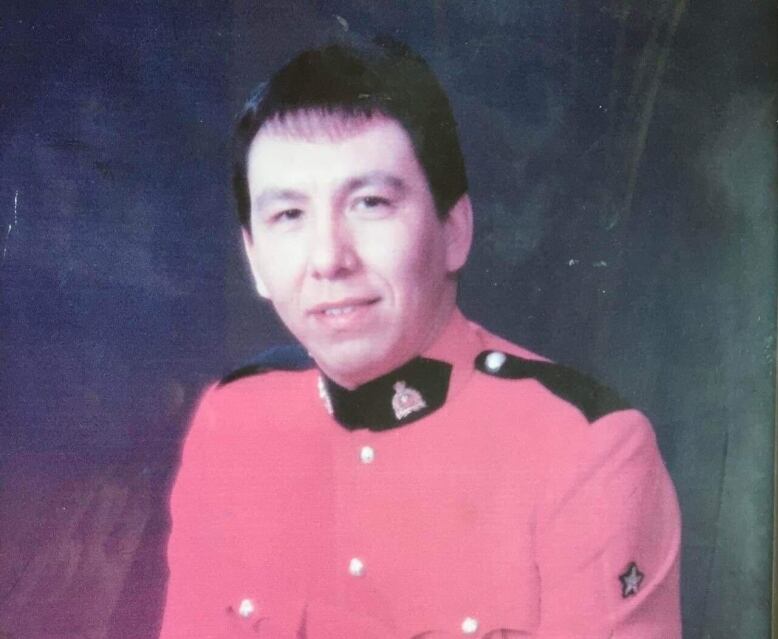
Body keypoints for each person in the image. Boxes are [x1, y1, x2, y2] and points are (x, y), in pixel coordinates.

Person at [160, 39, 681, 639]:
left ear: (453, 230)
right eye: (289, 216)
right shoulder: (234, 421)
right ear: (253, 258)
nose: (328, 259)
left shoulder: (589, 452)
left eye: (370, 202)